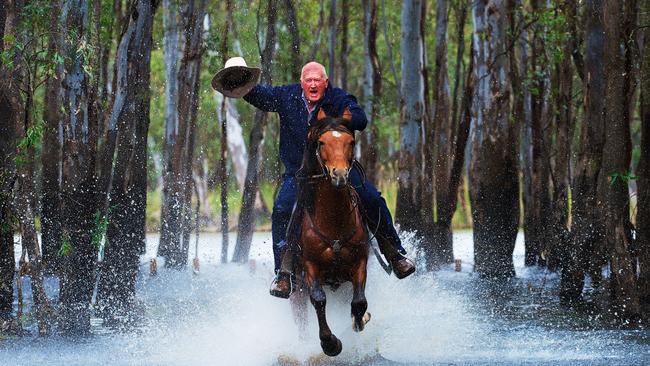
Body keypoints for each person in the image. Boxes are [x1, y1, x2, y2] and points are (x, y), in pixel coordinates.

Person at [212, 58, 415, 298]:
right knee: (281, 209)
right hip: (299, 174)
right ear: (302, 83)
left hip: (338, 170)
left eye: (317, 79)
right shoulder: (287, 96)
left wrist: (342, 120)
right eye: (308, 80)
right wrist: (238, 79)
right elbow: (258, 95)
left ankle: (395, 254)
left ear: (325, 82)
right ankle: (283, 274)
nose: (313, 83)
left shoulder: (338, 98)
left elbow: (360, 119)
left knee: (372, 199)